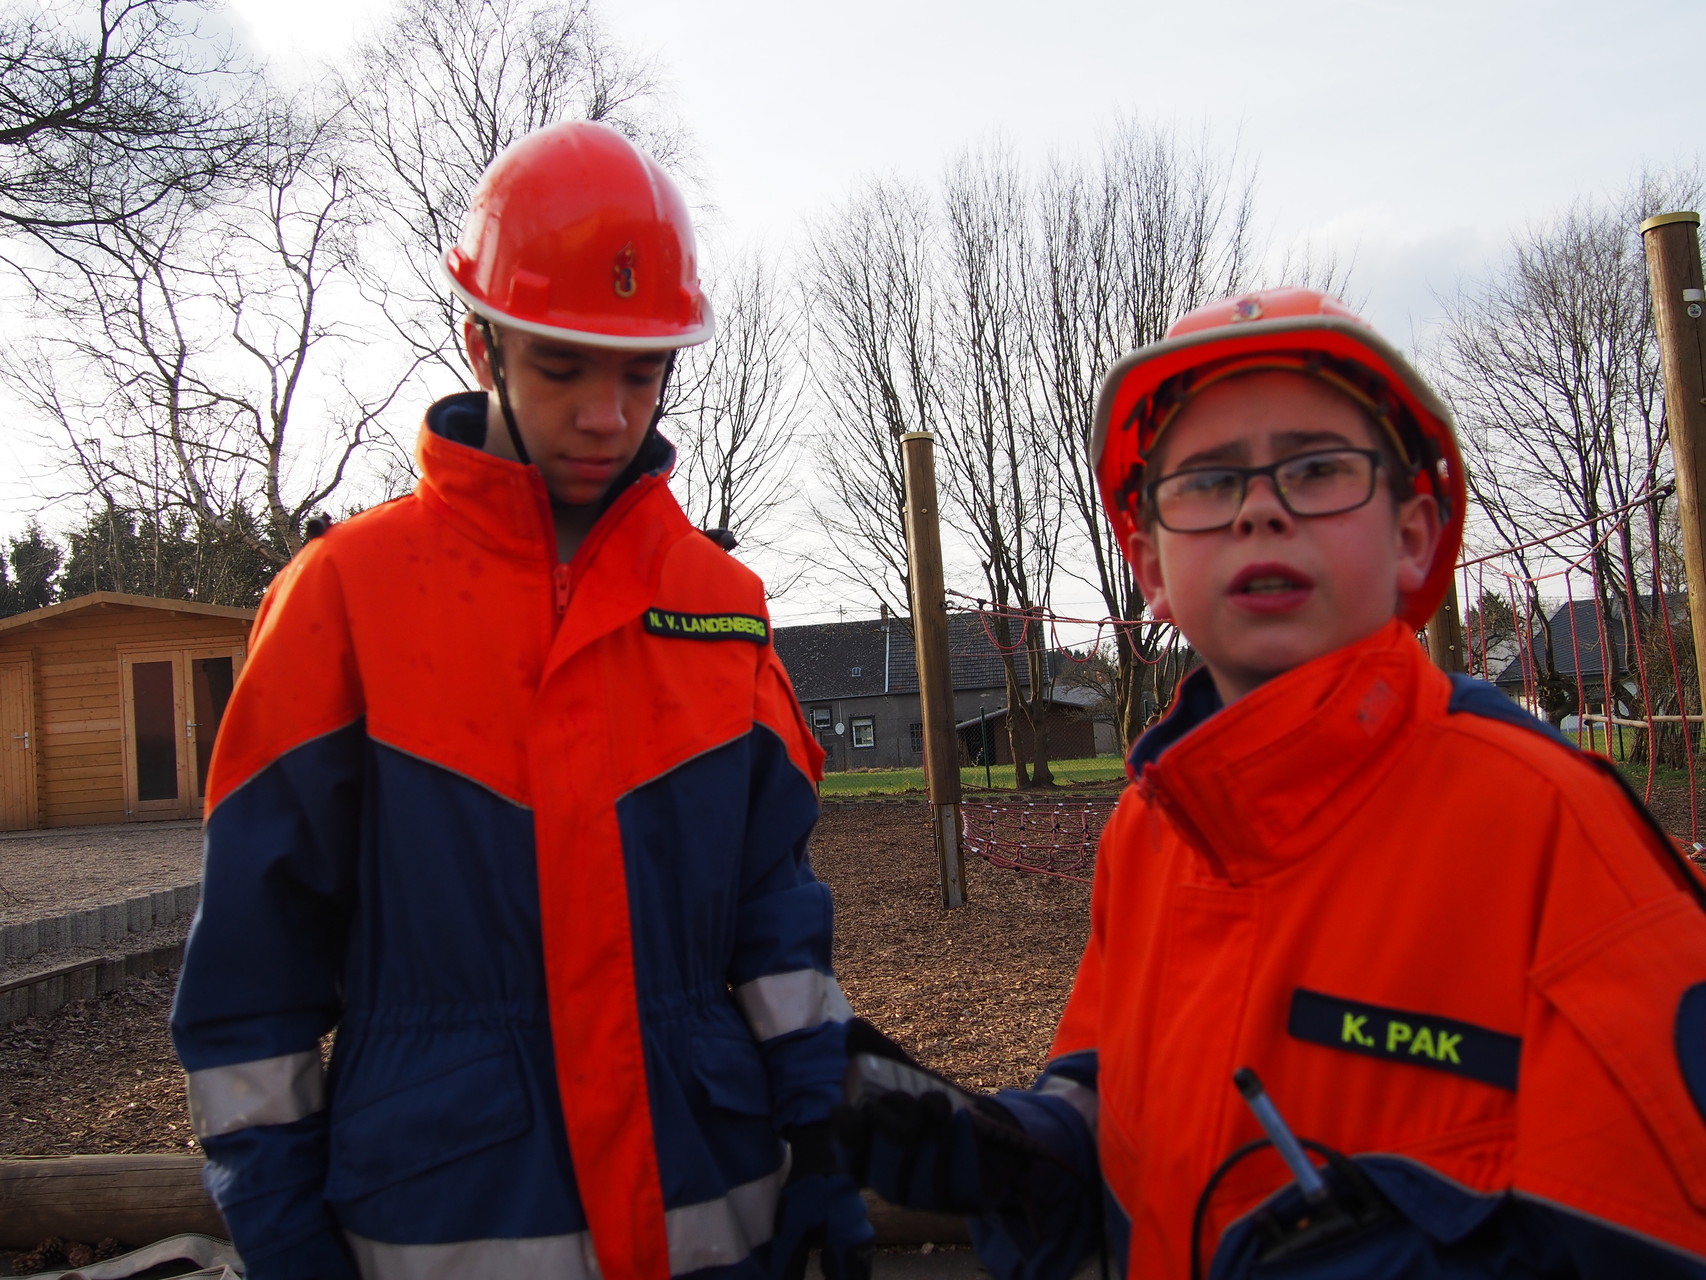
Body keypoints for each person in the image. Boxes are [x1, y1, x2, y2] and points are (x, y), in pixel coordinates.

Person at [836, 287, 1706, 1279]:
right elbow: (1109, 1096)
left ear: (1412, 533)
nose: (1260, 506)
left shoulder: (1555, 831)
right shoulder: (1149, 832)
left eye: (1317, 469)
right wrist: (1007, 1149)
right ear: (1149, 564)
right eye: (1207, 482)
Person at [171, 121, 871, 1280]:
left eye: (640, 372)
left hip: (716, 1212)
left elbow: (776, 918)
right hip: (438, 1223)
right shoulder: (341, 598)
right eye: (563, 366)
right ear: (480, 341)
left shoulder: (722, 602)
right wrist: (284, 1234)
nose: (606, 413)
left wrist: (826, 1144)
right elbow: (254, 972)